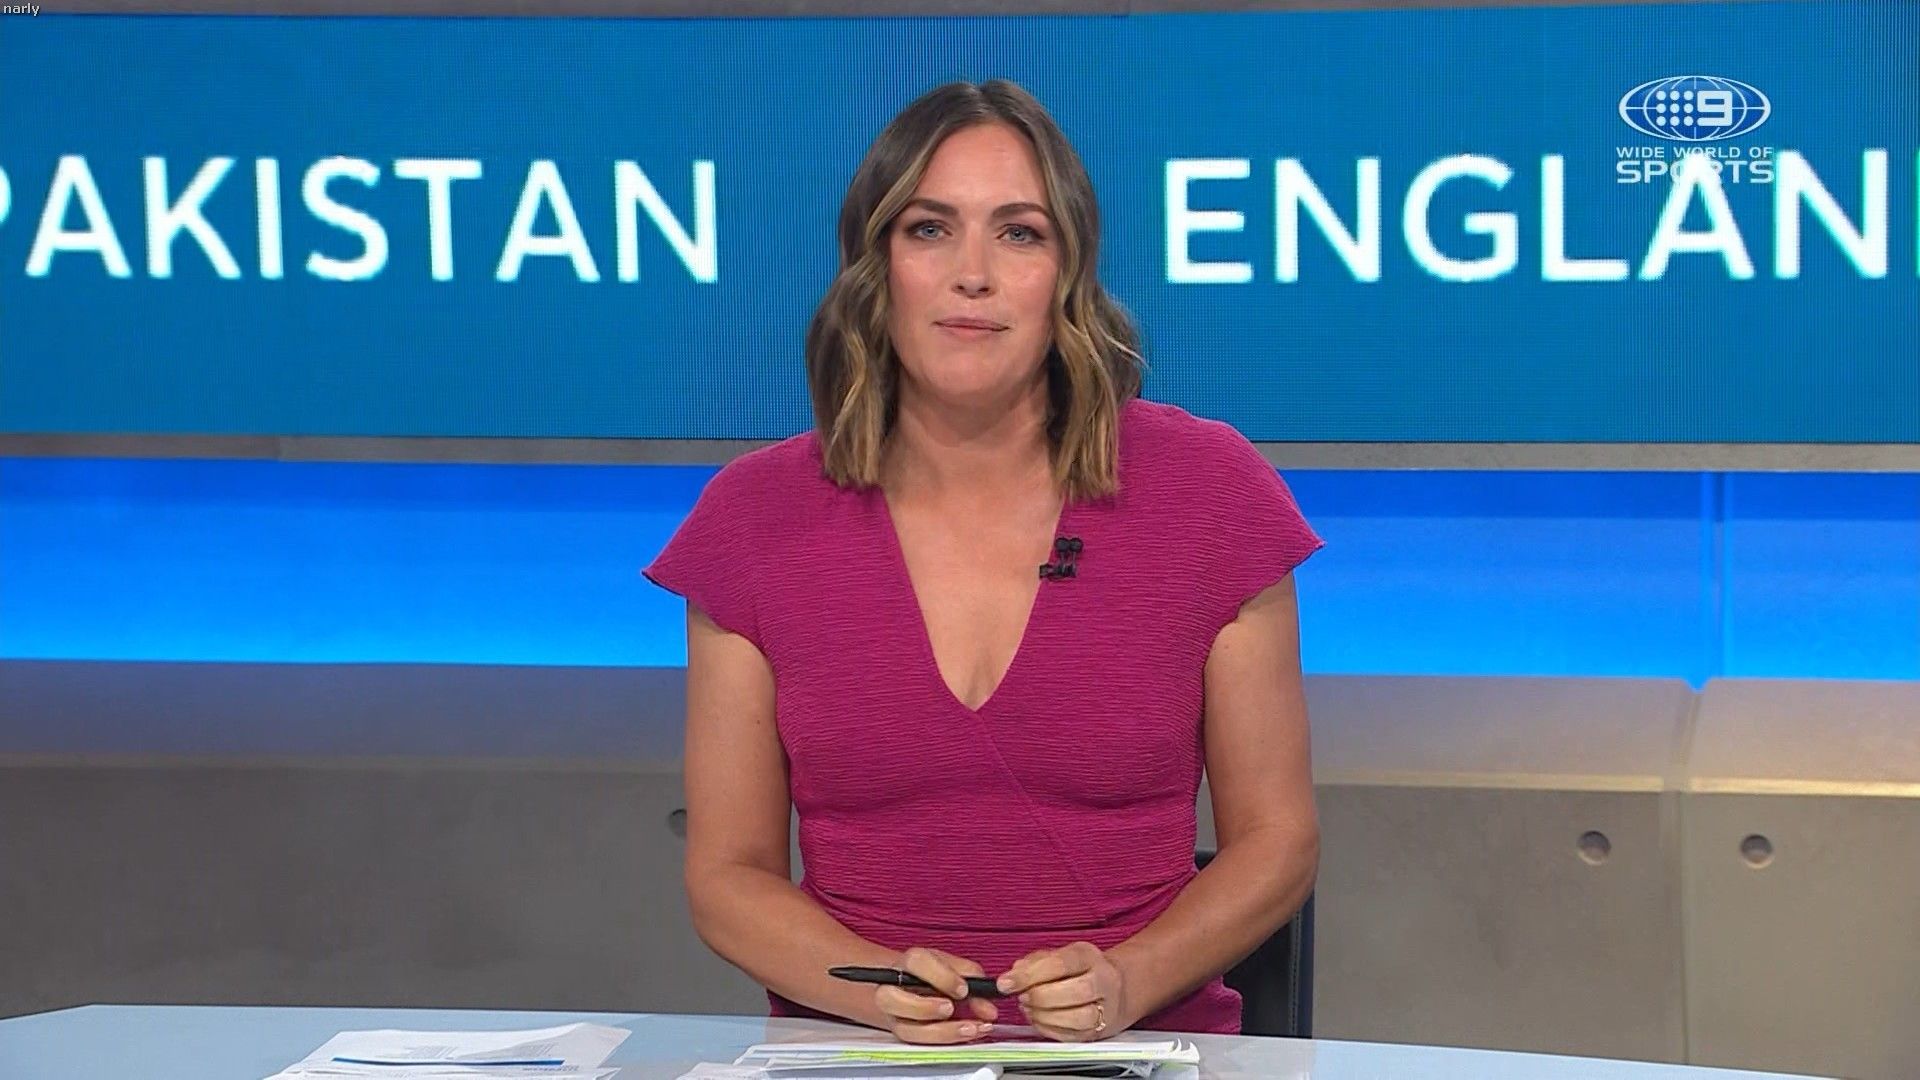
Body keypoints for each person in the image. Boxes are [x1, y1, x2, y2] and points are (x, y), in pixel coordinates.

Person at [642, 79, 1323, 1044]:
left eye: (1019, 234)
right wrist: (873, 989)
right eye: (929, 229)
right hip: (858, 1055)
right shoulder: (754, 520)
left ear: (1068, 274)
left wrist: (1129, 980)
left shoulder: (1210, 493)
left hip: (1138, 1049)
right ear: (875, 265)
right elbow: (727, 874)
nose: (974, 274)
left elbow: (1279, 841)